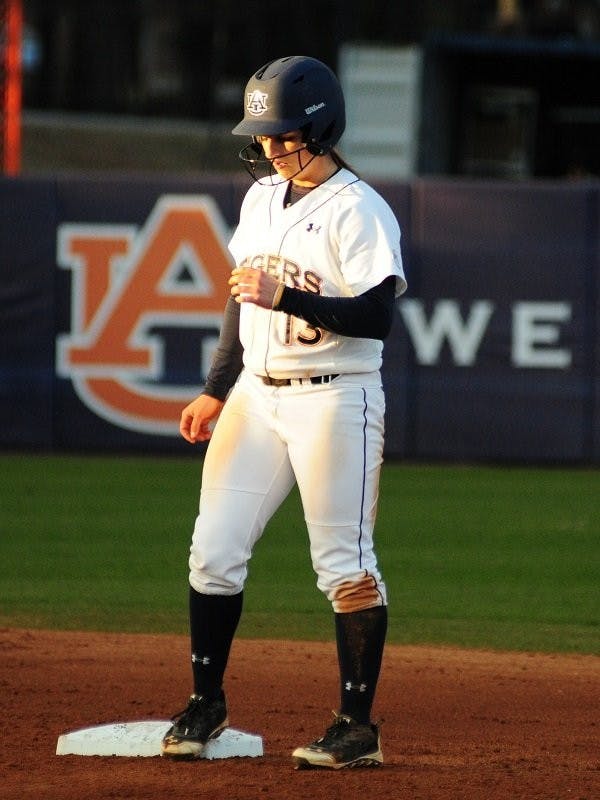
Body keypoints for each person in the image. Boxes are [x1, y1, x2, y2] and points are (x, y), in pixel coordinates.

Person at [160, 55, 407, 769]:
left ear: (322, 127)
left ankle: (356, 726)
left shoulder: (359, 207)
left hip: (337, 396)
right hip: (257, 397)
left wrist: (288, 297)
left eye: (283, 133)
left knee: (344, 565)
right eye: (263, 133)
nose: (270, 147)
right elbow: (243, 295)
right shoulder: (263, 197)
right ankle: (207, 703)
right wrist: (216, 386)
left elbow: (377, 315)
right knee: (214, 550)